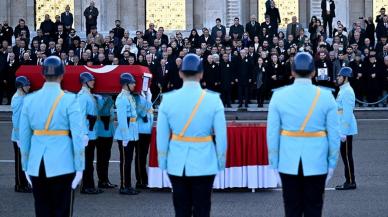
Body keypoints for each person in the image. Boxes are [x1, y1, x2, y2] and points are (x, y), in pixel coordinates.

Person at [267, 52, 340, 217]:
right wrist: (331, 163)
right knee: (314, 209)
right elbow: (334, 135)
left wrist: (274, 164)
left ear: (292, 72)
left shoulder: (278, 96)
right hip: (317, 160)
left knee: (291, 210)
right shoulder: (327, 96)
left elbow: (272, 135)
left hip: (287, 161)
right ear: (314, 72)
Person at [157, 53, 227, 217]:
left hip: (177, 162)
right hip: (205, 161)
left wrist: (163, 160)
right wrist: (220, 161)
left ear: (180, 73)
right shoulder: (213, 100)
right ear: (201, 74)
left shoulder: (168, 100)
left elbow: (162, 136)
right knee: (203, 209)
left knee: (181, 209)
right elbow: (221, 135)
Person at [19, 56, 86, 217]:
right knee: (62, 210)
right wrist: (80, 167)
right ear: (62, 75)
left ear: (42, 75)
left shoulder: (29, 100)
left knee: (42, 210)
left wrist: (25, 165)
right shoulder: (70, 99)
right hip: (63, 162)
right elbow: (78, 136)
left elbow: (24, 136)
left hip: (36, 162)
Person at [77, 72, 103, 194]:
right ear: (85, 82)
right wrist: (83, 133)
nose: (94, 82)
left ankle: (90, 185)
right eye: (91, 80)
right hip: (87, 133)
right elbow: (80, 116)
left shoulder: (89, 95)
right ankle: (86, 186)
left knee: (89, 160)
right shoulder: (82, 96)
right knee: (87, 161)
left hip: (92, 132)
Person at [114, 73, 140, 195]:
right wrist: (125, 137)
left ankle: (128, 185)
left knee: (129, 161)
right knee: (125, 161)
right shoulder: (122, 98)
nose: (134, 85)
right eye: (132, 83)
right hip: (125, 135)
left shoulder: (129, 96)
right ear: (126, 84)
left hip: (132, 133)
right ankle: (124, 186)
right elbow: (122, 120)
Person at [335, 67, 358, 190]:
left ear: (346, 78)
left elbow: (347, 114)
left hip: (346, 129)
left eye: (339, 76)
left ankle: (350, 181)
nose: (337, 78)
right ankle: (349, 180)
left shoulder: (347, 91)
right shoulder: (343, 90)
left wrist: (343, 132)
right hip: (342, 127)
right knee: (345, 155)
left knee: (347, 156)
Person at [11, 76, 32, 193]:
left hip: (24, 135)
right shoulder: (18, 99)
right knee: (20, 162)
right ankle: (19, 184)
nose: (29, 87)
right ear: (20, 87)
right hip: (19, 137)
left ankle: (24, 183)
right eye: (27, 85)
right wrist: (19, 138)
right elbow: (16, 120)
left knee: (24, 160)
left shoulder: (22, 96)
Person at [96, 95, 117, 189]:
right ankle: (102, 180)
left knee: (106, 157)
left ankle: (105, 179)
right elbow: (102, 111)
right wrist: (106, 99)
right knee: (101, 158)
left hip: (109, 130)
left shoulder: (108, 97)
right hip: (102, 131)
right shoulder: (97, 98)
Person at [134, 90, 154, 189]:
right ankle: (140, 180)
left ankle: (144, 179)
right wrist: (148, 100)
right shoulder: (136, 97)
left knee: (143, 157)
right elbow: (141, 112)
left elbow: (150, 113)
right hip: (140, 130)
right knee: (140, 157)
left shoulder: (144, 96)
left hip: (147, 131)